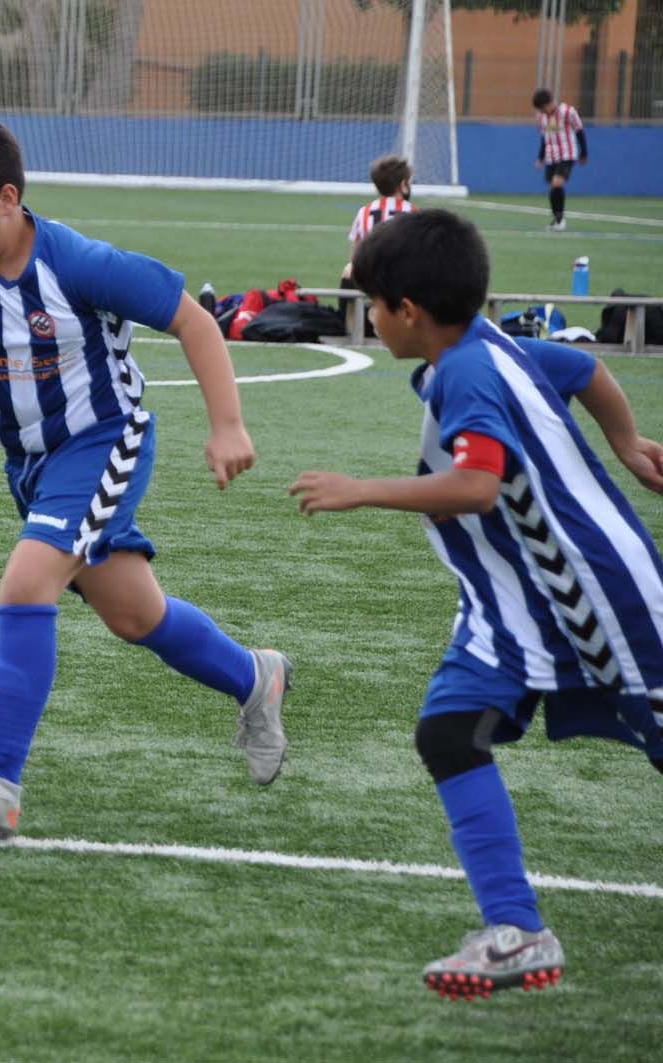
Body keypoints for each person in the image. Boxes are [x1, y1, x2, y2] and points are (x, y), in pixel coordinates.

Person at [288, 209, 663, 1001]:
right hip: (513, 608)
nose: (372, 319)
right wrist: (626, 444)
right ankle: (516, 930)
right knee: (450, 730)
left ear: (409, 313)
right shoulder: (491, 344)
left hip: (599, 599)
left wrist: (362, 490)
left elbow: (476, 484)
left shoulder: (465, 371)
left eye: (374, 306)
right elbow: (585, 371)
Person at [0, 115, 292, 839]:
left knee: (26, 583)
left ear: (9, 198)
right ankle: (255, 676)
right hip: (30, 465)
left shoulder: (81, 263)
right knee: (134, 615)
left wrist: (228, 425)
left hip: (105, 443)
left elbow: (195, 322)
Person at [340, 154, 415, 333]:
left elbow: (355, 253)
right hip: (401, 280)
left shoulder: (364, 212)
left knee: (349, 269)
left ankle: (349, 323)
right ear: (404, 184)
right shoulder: (413, 213)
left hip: (371, 278)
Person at [532, 87, 586, 232]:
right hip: (551, 156)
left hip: (567, 155)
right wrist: (540, 157)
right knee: (553, 188)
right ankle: (557, 219)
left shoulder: (567, 112)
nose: (542, 112)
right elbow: (544, 138)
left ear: (548, 104)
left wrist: (584, 153)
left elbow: (579, 130)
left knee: (557, 184)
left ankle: (560, 221)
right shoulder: (543, 119)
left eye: (542, 109)